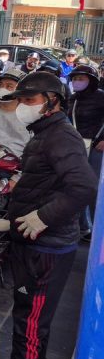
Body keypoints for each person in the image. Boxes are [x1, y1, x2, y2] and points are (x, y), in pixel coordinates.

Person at [0, 72, 97, 359]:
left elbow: (84, 186)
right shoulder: (44, 133)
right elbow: (43, 187)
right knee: (33, 315)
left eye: (29, 100)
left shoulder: (60, 136)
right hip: (35, 241)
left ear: (53, 101)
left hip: (47, 247)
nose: (22, 106)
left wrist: (43, 217)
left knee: (30, 319)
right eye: (20, 100)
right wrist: (14, 222)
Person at [66, 65, 104, 237]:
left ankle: (99, 231)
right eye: (74, 79)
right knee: (76, 185)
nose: (77, 82)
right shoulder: (73, 99)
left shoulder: (101, 96)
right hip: (77, 146)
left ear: (92, 81)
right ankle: (83, 226)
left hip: (97, 148)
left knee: (95, 188)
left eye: (81, 79)